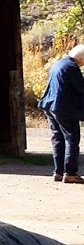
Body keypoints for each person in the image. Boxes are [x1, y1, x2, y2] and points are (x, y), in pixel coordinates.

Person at [38, 43, 84, 182]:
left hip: (51, 105)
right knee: (72, 138)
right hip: (64, 108)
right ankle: (70, 173)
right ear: (81, 59)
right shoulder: (71, 67)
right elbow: (81, 88)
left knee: (58, 138)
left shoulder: (60, 63)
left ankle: (58, 172)